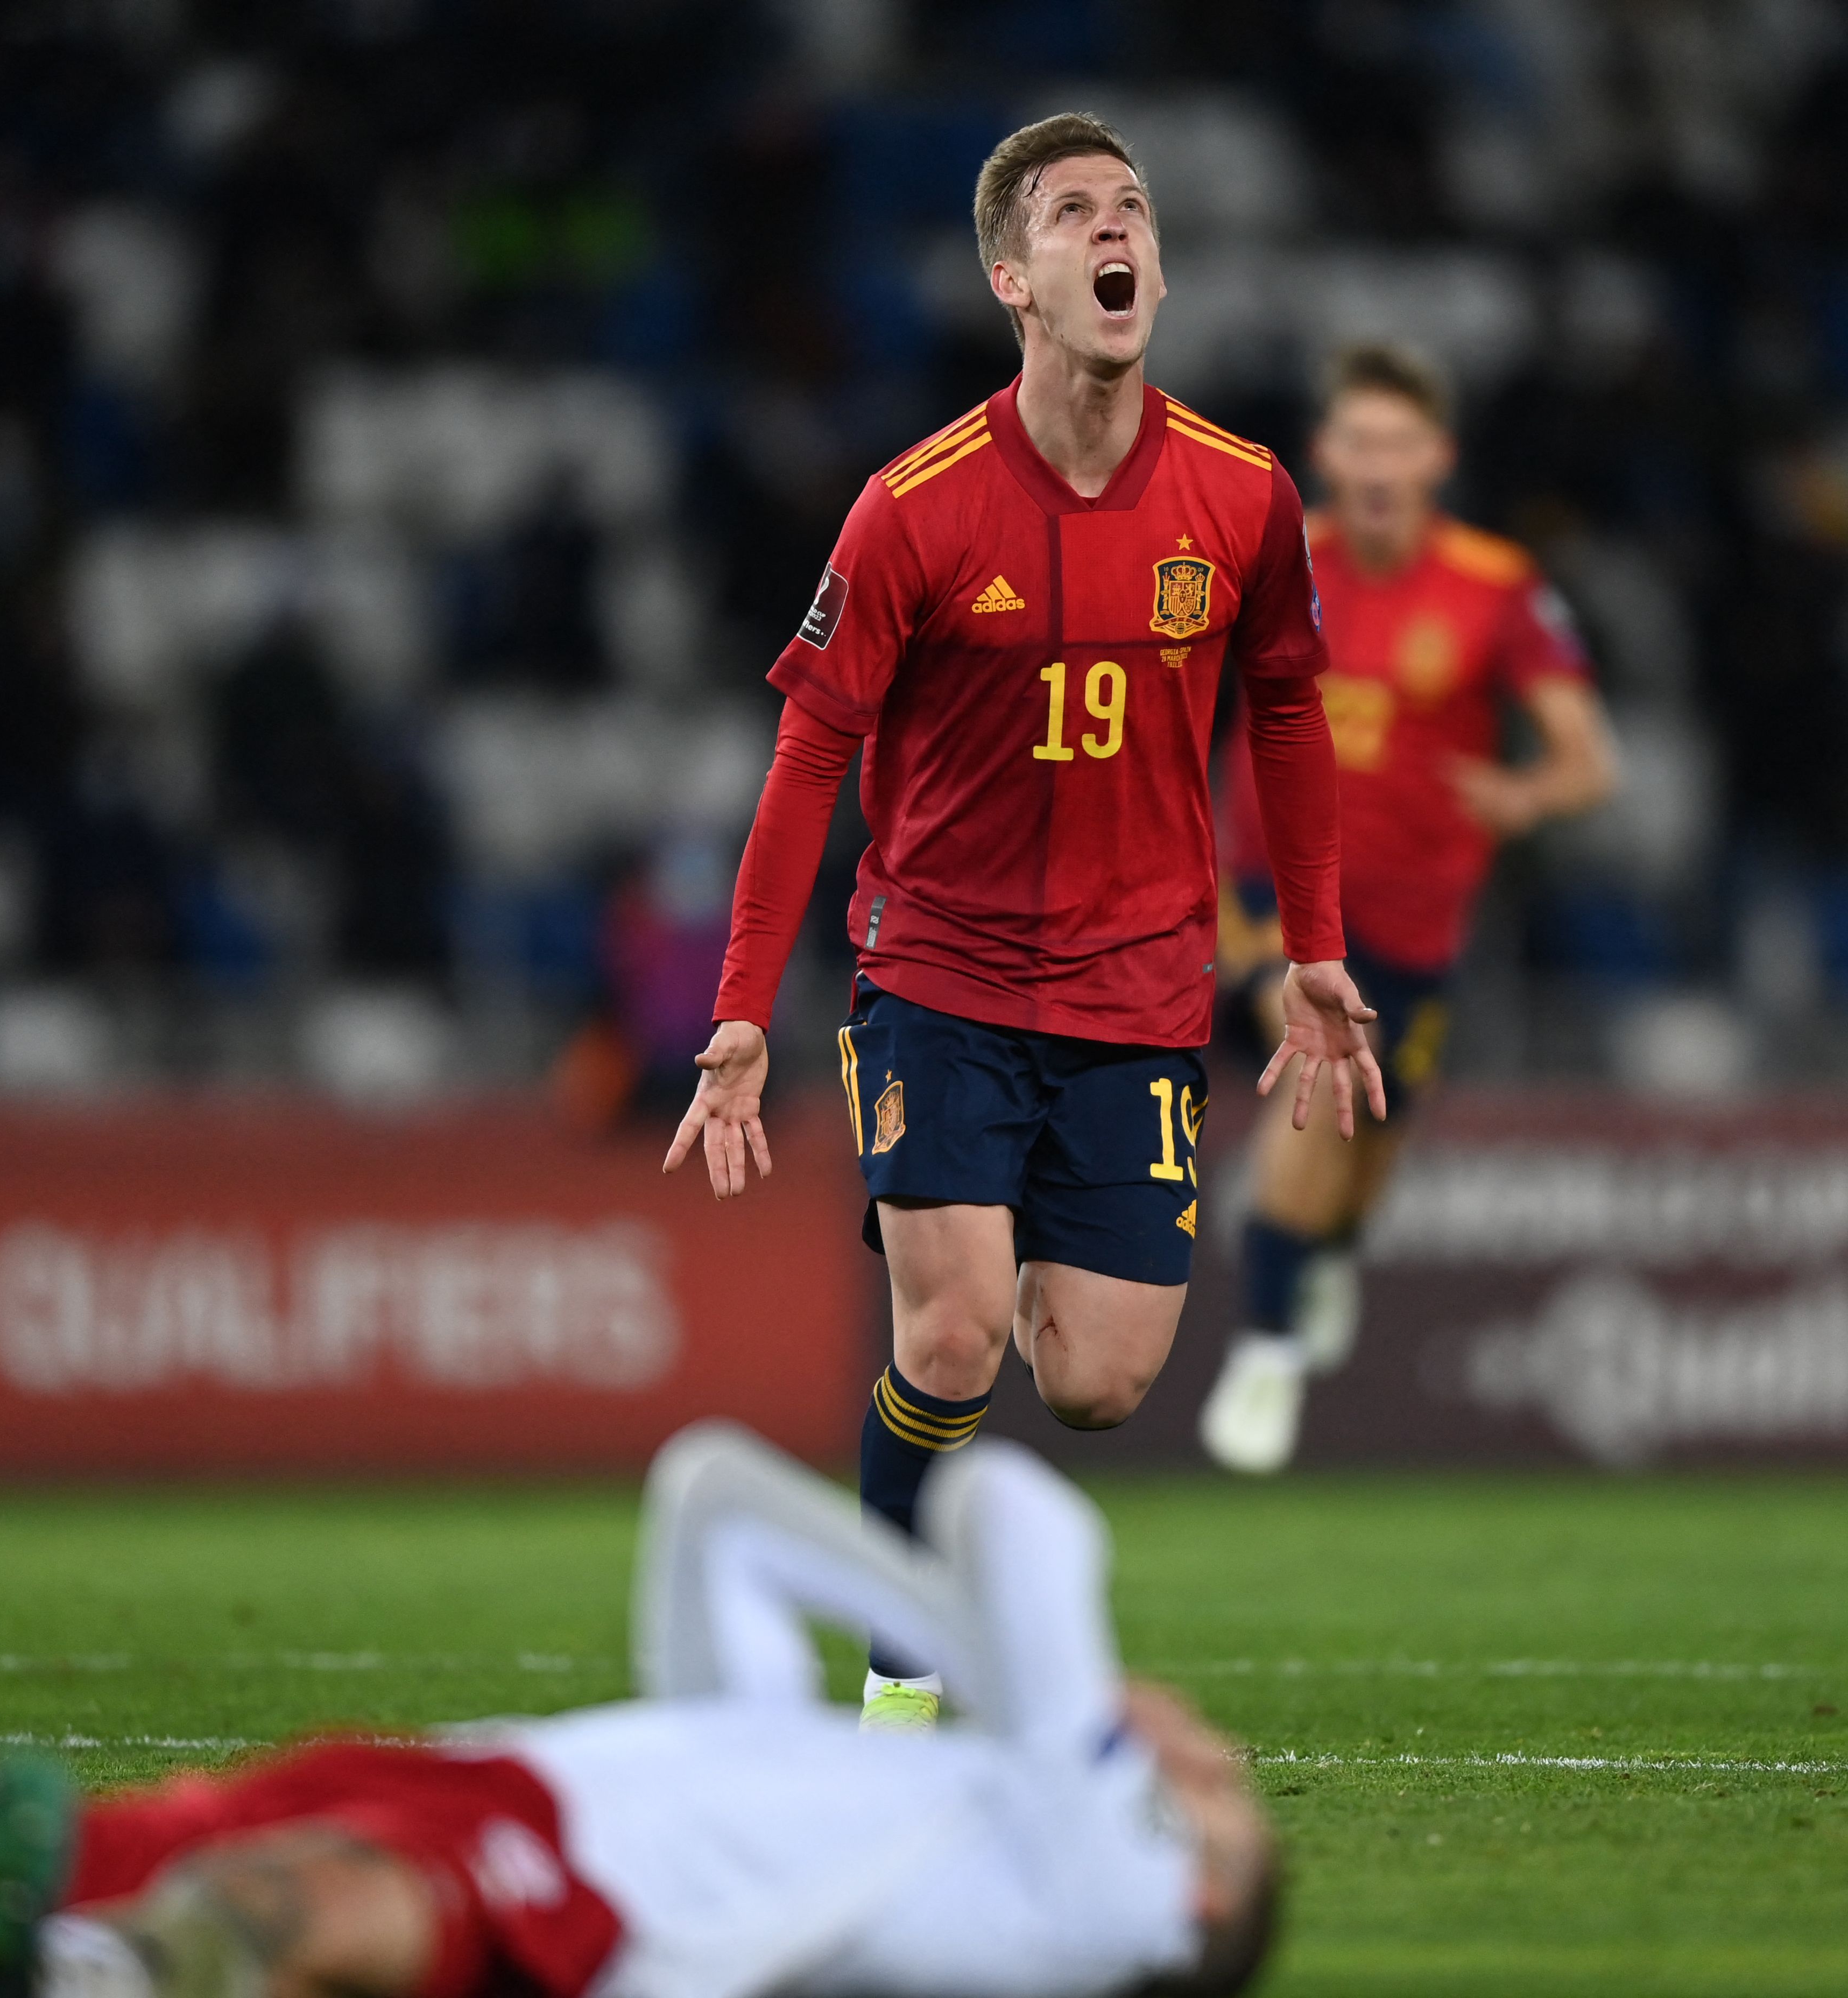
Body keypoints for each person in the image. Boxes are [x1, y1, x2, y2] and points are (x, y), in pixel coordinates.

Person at [660, 114, 1387, 1727]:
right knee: (960, 1333)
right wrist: (736, 1003)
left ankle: (948, 1541)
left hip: (1140, 994)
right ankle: (901, 1687)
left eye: (1133, 208)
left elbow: (1286, 714)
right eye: (1077, 213)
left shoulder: (1245, 499)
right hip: (941, 976)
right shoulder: (913, 510)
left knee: (1100, 1381)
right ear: (1017, 277)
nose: (1116, 230)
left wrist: (1316, 942)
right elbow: (810, 755)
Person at [0, 1425, 1280, 1998]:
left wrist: (999, 1689)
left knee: (321, 1907)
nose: (1192, 1746)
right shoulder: (904, 1800)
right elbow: (710, 1500)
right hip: (456, 1789)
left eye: (1212, 1787)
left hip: (577, 1914)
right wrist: (951, 1691)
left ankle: (40, 1980)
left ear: (1195, 1882)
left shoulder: (1108, 1897)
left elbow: (1021, 1518)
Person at [1195, 344, 1616, 1475]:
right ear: (1326, 455)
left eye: (1400, 443)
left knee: (1372, 1135)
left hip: (1417, 921)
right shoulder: (1266, 557)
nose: (1377, 463)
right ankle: (1269, 1343)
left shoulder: (1499, 586)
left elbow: (1590, 761)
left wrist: (1522, 793)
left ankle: (1321, 1243)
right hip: (1272, 893)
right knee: (1321, 1073)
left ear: (1438, 458)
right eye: (1357, 442)